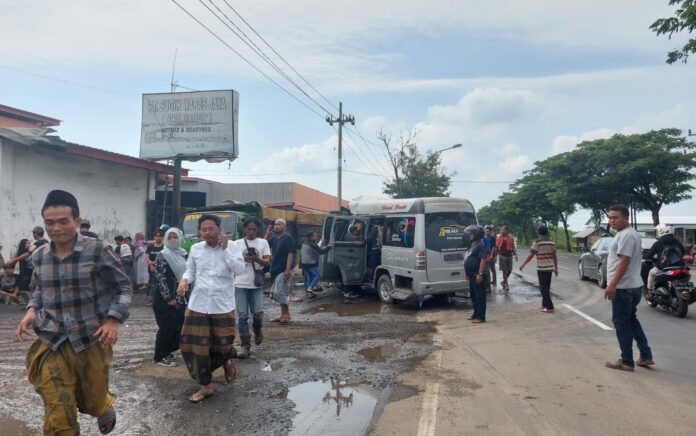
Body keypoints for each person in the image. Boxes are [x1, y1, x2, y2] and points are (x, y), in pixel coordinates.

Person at [15, 189, 132, 435]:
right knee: (58, 408)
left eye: (63, 221)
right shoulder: (39, 257)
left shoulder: (99, 250)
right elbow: (40, 291)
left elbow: (123, 286)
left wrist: (113, 320)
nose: (56, 228)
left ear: (77, 222)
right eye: (49, 223)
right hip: (52, 338)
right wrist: (31, 310)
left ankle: (103, 405)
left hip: (91, 339)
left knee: (92, 398)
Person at [176, 214, 245, 403]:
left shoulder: (233, 247)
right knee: (193, 346)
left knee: (223, 343)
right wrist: (184, 281)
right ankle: (206, 386)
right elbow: (190, 270)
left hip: (222, 305)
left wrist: (225, 250)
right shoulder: (197, 249)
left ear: (219, 229)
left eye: (210, 229)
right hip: (198, 304)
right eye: (203, 229)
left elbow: (239, 270)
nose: (207, 233)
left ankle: (226, 359)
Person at [604, 205, 654, 372]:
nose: (612, 220)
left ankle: (626, 361)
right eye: (610, 217)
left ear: (626, 218)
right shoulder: (628, 234)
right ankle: (646, 356)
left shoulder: (626, 235)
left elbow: (624, 261)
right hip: (633, 285)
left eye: (615, 217)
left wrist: (612, 284)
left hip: (624, 288)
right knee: (631, 320)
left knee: (621, 323)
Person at [234, 216, 271, 359]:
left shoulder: (263, 243)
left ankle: (257, 328)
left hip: (256, 284)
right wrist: (243, 259)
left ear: (258, 230)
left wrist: (255, 258)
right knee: (242, 316)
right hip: (240, 284)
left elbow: (267, 263)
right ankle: (245, 346)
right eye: (249, 229)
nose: (251, 232)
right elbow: (231, 261)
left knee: (257, 313)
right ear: (244, 229)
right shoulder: (236, 244)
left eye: (254, 229)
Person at [152, 228, 187, 367]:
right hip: (165, 298)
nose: (173, 240)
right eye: (170, 237)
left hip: (180, 296)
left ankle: (168, 351)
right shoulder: (163, 255)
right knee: (166, 327)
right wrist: (168, 297)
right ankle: (160, 356)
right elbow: (160, 278)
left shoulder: (183, 254)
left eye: (175, 237)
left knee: (178, 326)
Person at [519, 225, 559, 313]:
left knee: (542, 288)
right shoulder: (552, 242)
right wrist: (556, 268)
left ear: (539, 232)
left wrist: (523, 264)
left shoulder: (537, 242)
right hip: (550, 268)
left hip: (541, 268)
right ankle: (544, 305)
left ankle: (549, 307)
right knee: (546, 287)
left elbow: (531, 255)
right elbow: (554, 256)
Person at [266, 218, 296, 324]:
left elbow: (290, 253)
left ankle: (286, 315)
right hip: (275, 268)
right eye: (275, 224)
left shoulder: (288, 238)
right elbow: (263, 245)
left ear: (284, 226)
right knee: (277, 292)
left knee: (280, 292)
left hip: (284, 269)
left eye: (278, 224)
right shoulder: (273, 239)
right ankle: (283, 314)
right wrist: (267, 233)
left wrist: (288, 269)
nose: (276, 226)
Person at [644, 224, 685, 292]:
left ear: (661, 231)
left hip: (664, 268)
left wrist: (648, 257)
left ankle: (650, 291)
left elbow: (649, 255)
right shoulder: (677, 242)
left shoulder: (659, 243)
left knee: (651, 273)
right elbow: (682, 252)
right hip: (680, 267)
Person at [464, 225, 488, 323]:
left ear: (476, 234)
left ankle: (480, 317)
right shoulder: (472, 244)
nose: (469, 235)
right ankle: (475, 314)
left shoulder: (480, 245)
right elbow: (467, 258)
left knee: (480, 297)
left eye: (471, 233)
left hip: (477, 275)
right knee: (473, 296)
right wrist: (467, 273)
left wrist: (480, 274)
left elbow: (482, 260)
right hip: (471, 275)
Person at [300, 232, 334, 298]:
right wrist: (329, 246)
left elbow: (316, 248)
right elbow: (321, 251)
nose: (317, 236)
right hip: (310, 263)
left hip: (303, 263)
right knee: (317, 275)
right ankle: (310, 288)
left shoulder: (305, 243)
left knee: (310, 277)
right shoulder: (312, 245)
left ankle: (309, 292)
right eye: (315, 236)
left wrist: (321, 242)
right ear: (311, 237)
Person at [496, 226, 518, 291]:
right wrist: (494, 255)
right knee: (504, 271)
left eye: (503, 230)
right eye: (501, 230)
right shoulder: (499, 237)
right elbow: (497, 246)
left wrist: (516, 255)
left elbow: (513, 247)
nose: (501, 231)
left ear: (506, 231)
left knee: (510, 270)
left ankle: (503, 282)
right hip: (502, 256)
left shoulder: (511, 238)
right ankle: (506, 285)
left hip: (509, 255)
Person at [146, 230, 165, 304]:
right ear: (154, 237)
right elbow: (147, 256)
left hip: (161, 268)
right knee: (151, 282)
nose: (158, 238)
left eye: (160, 236)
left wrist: (154, 263)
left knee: (160, 283)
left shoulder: (164, 247)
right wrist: (151, 265)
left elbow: (165, 257)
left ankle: (160, 298)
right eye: (156, 236)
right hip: (151, 268)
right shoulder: (150, 247)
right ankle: (151, 298)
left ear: (163, 237)